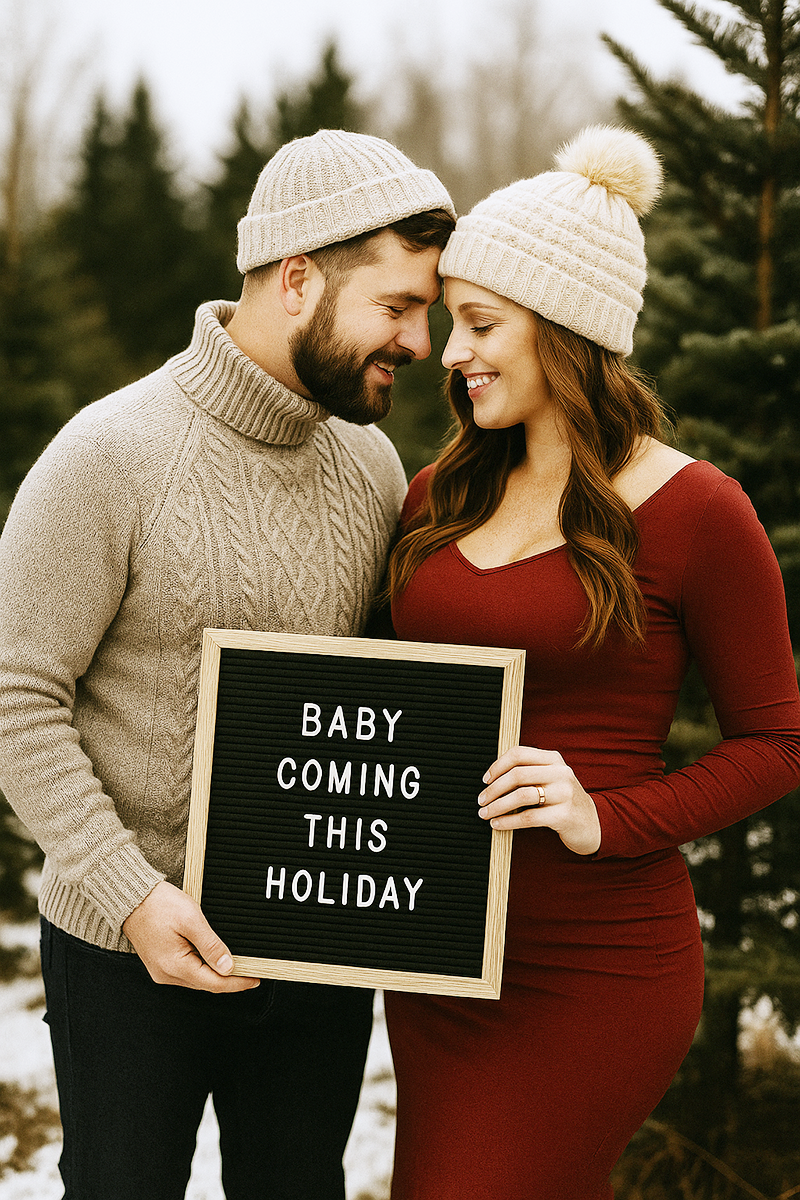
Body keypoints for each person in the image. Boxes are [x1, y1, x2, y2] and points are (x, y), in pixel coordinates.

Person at [0, 128, 455, 1199]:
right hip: (122, 948)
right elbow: (16, 699)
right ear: (296, 279)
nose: (422, 341)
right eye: (396, 307)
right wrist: (128, 897)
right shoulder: (107, 456)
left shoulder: (372, 463)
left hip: (315, 944)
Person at [383, 125, 800, 1200]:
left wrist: (603, 815)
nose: (451, 351)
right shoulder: (437, 496)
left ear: (563, 332)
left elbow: (777, 742)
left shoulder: (696, 510)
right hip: (436, 956)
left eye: (480, 324)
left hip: (596, 965)